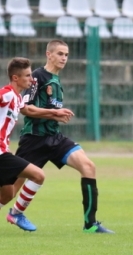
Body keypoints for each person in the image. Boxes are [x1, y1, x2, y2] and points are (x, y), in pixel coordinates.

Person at [12, 39, 114, 233]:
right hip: (34, 140)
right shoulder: (37, 77)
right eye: (60, 54)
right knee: (9, 189)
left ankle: (90, 224)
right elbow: (25, 108)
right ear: (48, 54)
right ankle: (15, 212)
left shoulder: (57, 81)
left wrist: (55, 115)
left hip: (54, 138)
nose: (64, 58)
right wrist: (54, 113)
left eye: (66, 54)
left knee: (88, 166)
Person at [0, 57, 71, 232]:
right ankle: (17, 214)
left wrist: (54, 114)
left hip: (3, 151)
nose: (31, 79)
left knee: (8, 192)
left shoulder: (17, 99)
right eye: (27, 76)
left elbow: (29, 110)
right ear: (16, 78)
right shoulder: (7, 93)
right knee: (38, 175)